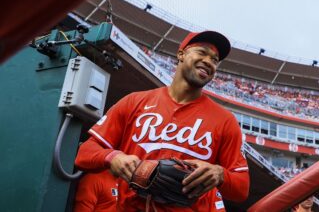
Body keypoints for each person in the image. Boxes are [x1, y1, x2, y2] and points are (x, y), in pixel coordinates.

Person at [75, 30, 250, 211]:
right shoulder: (134, 101)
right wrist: (112, 157)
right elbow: (85, 152)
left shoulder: (225, 120)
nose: (209, 61)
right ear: (181, 54)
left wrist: (219, 174)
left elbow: (241, 188)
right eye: (202, 52)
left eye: (215, 60)